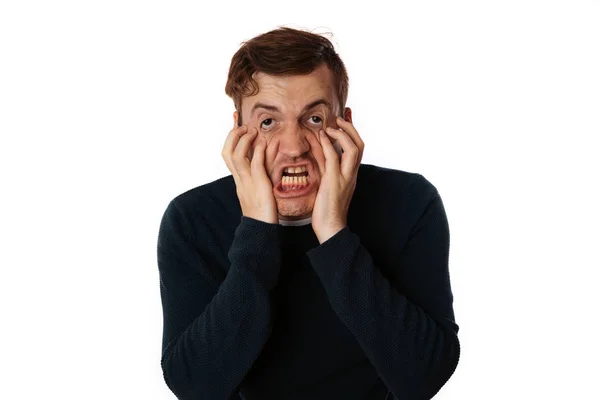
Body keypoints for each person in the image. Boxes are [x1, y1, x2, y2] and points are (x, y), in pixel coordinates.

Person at [157, 27, 460, 400]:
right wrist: (256, 231)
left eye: (314, 119)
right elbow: (195, 386)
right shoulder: (192, 219)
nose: (294, 147)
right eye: (268, 122)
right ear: (238, 129)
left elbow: (422, 378)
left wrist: (333, 232)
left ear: (344, 123)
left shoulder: (410, 202)